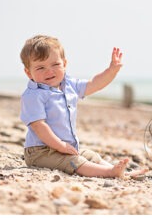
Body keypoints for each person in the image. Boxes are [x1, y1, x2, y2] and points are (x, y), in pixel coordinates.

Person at [19, 35, 130, 178]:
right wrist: (60, 146)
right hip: (40, 152)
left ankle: (123, 172)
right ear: (29, 73)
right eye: (40, 67)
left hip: (62, 147)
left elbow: (93, 84)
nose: (49, 71)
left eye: (55, 65)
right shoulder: (34, 95)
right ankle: (110, 173)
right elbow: (39, 126)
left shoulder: (69, 85)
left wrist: (111, 71)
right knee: (74, 161)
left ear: (64, 64)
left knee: (90, 155)